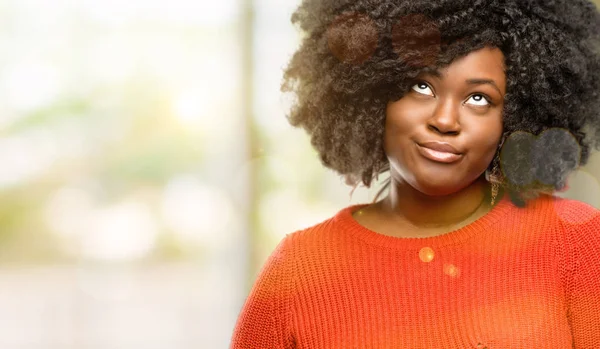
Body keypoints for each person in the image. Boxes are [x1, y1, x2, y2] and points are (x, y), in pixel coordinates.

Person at [231, 0, 600, 347]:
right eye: (421, 86)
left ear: (515, 117)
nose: (444, 120)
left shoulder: (575, 243)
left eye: (479, 99)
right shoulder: (299, 269)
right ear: (372, 93)